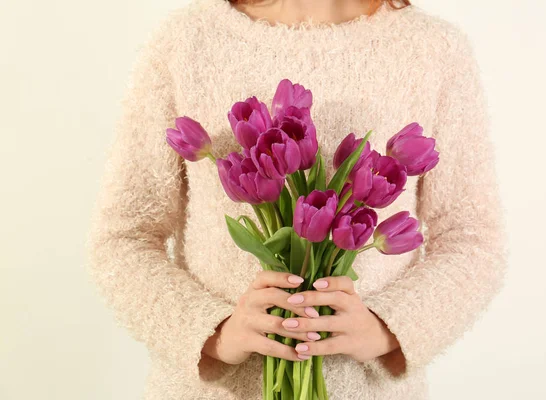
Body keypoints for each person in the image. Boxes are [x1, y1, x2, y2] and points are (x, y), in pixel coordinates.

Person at [86, 0, 508, 398]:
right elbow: (123, 237)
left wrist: (387, 329)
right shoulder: (187, 41)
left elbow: (473, 239)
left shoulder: (433, 51)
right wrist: (213, 331)